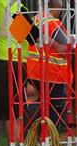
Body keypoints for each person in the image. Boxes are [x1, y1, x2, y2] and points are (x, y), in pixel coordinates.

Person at [26, 0, 72, 130]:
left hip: (34, 72)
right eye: (61, 9)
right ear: (56, 7)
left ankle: (41, 138)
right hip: (53, 74)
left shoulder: (33, 19)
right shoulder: (53, 23)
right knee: (55, 111)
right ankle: (53, 141)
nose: (61, 13)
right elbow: (66, 47)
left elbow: (23, 38)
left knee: (43, 106)